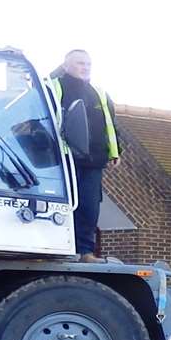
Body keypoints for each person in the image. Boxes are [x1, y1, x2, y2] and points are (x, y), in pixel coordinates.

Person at [45, 50, 121, 262]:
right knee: (64, 205)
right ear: (66, 65)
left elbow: (110, 125)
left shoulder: (99, 93)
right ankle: (56, 249)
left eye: (88, 64)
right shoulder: (55, 87)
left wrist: (115, 152)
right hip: (66, 158)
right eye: (80, 63)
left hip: (94, 159)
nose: (85, 67)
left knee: (89, 206)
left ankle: (85, 252)